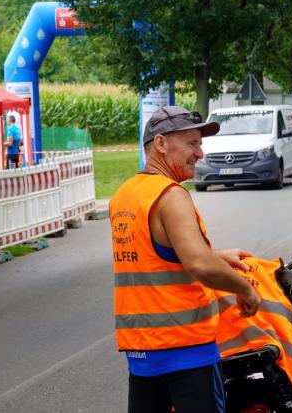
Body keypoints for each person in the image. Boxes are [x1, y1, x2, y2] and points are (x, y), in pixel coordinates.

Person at [109, 105, 261, 413]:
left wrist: (216, 256)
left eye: (200, 144)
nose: (200, 154)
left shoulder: (125, 195)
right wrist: (244, 289)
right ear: (161, 143)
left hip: (142, 350)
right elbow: (198, 265)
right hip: (186, 348)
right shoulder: (170, 195)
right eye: (192, 144)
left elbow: (153, 256)